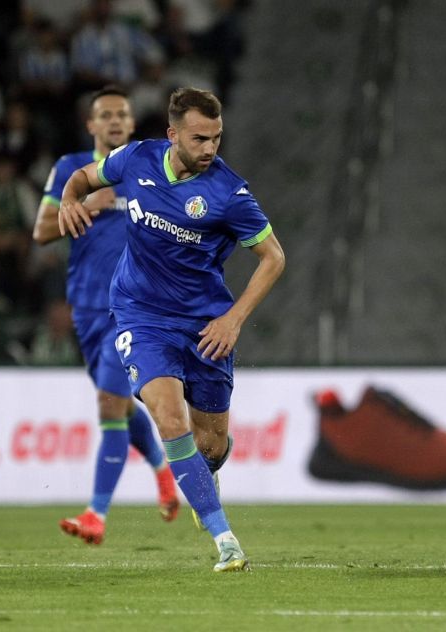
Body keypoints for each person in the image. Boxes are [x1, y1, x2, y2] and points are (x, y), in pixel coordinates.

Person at [57, 87, 286, 572]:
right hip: (139, 314)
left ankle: (206, 474)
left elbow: (273, 258)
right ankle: (226, 540)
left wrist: (233, 319)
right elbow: (83, 177)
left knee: (211, 445)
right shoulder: (136, 158)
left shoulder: (229, 194)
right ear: (173, 135)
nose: (210, 148)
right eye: (200, 138)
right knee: (169, 418)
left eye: (216, 138)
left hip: (205, 325)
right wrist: (69, 200)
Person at [33, 86, 179, 545]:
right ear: (91, 125)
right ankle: (162, 470)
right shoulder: (70, 170)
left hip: (133, 307)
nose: (114, 121)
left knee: (109, 406)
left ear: (132, 125)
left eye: (122, 114)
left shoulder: (146, 169)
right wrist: (81, 206)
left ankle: (96, 514)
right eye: (105, 115)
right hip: (86, 308)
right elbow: (40, 232)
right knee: (119, 405)